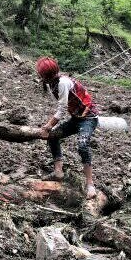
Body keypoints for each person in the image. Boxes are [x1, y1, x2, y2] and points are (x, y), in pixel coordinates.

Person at [35, 57, 101, 200]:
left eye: (41, 75)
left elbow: (62, 109)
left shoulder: (63, 83)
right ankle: (58, 172)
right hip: (76, 118)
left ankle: (90, 184)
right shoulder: (51, 84)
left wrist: (47, 126)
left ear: (46, 76)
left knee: (83, 145)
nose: (39, 77)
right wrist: (50, 129)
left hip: (88, 118)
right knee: (53, 136)